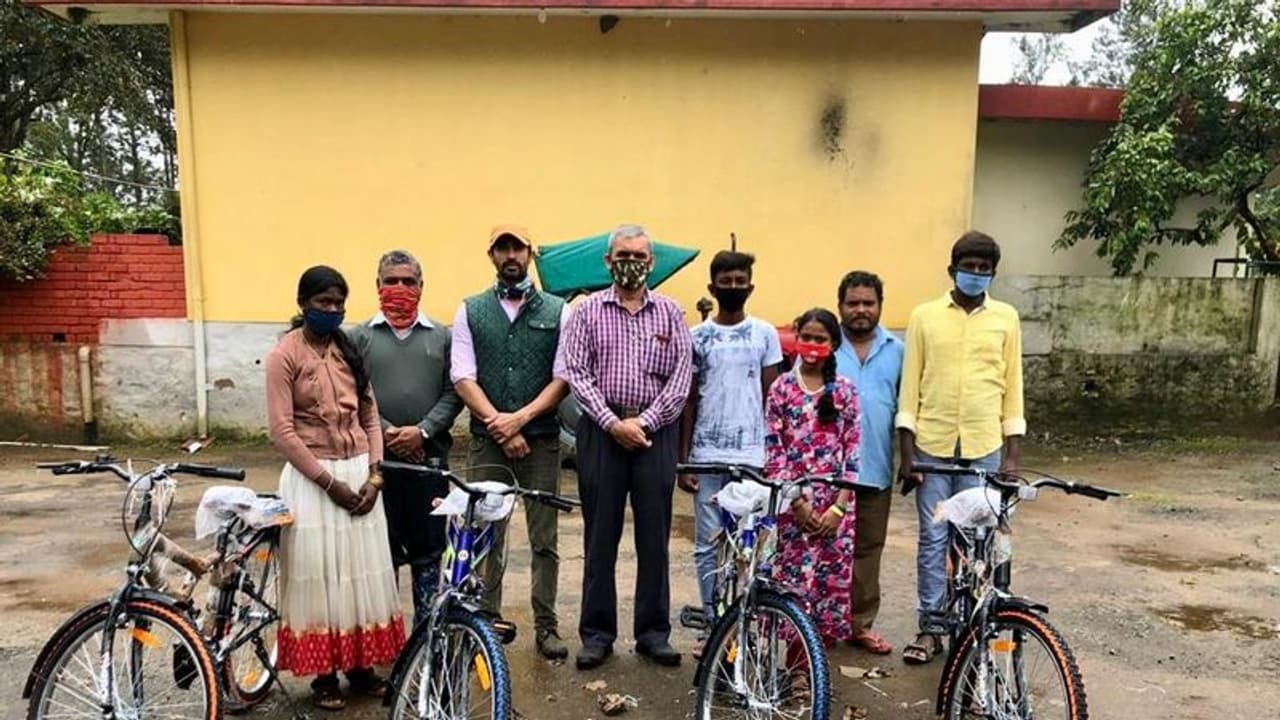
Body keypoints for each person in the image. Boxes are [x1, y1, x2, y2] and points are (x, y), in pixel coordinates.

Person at [265, 265, 405, 711]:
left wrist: (376, 477)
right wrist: (329, 484)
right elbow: (282, 432)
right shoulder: (284, 354)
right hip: (313, 481)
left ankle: (361, 669)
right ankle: (324, 677)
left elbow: (370, 417)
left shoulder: (349, 349)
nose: (332, 311)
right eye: (324, 303)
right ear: (303, 303)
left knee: (359, 573)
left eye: (339, 303)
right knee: (319, 575)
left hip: (360, 475)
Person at [558, 223, 693, 670]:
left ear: (652, 262)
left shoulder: (672, 313)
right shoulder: (586, 311)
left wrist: (646, 422)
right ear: (608, 261)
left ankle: (653, 633)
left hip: (656, 432)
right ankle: (597, 634)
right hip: (602, 430)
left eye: (638, 255)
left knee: (654, 536)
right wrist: (614, 423)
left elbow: (681, 379)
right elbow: (576, 371)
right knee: (600, 537)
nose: (630, 262)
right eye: (622, 255)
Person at [896, 231, 1025, 665]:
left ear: (993, 272)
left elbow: (1013, 390)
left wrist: (1011, 457)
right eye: (968, 266)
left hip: (985, 452)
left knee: (979, 542)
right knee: (934, 539)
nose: (975, 274)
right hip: (931, 451)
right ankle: (931, 628)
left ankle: (973, 628)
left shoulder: (1006, 318)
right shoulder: (924, 317)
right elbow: (910, 386)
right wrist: (907, 453)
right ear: (952, 268)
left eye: (983, 268)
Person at [451, 224, 571, 660]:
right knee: (485, 534)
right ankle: (484, 620)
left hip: (540, 441)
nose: (510, 255)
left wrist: (518, 421)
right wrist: (498, 424)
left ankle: (547, 626)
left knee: (545, 539)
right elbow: (462, 375)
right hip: (487, 442)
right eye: (501, 248)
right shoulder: (470, 310)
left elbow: (563, 377)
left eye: (516, 246)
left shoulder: (560, 311)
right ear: (491, 256)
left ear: (529, 252)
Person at [348, 250, 462, 631]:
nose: (399, 289)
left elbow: (454, 391)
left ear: (421, 286)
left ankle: (425, 638)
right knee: (381, 556)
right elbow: (353, 394)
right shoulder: (358, 337)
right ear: (377, 285)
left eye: (408, 281)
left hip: (429, 464)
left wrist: (423, 431)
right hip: (378, 467)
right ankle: (386, 638)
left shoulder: (443, 337)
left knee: (429, 554)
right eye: (391, 281)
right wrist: (386, 433)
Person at [677, 250, 781, 658]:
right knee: (709, 544)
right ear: (712, 287)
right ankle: (713, 624)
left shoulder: (764, 334)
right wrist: (683, 461)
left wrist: (774, 456)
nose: (734, 287)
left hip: (754, 459)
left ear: (751, 286)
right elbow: (687, 400)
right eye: (726, 281)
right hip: (706, 455)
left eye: (741, 280)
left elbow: (774, 398)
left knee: (750, 545)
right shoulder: (696, 336)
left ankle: (747, 626)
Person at [764, 308, 860, 647]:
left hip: (836, 509)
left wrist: (838, 508)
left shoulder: (846, 391)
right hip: (794, 506)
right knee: (794, 583)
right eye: (806, 337)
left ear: (833, 344)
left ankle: (816, 666)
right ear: (796, 337)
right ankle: (794, 662)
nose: (812, 345)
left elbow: (853, 453)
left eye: (820, 339)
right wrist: (798, 503)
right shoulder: (781, 389)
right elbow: (774, 450)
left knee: (828, 585)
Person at [834, 271, 903, 656]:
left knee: (867, 548)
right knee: (825, 548)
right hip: (830, 472)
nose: (861, 310)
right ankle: (819, 624)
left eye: (868, 302)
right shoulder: (825, 347)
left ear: (879, 305)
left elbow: (908, 406)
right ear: (840, 305)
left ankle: (859, 624)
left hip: (875, 465)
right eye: (853, 303)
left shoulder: (898, 350)